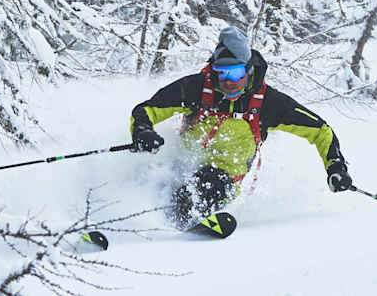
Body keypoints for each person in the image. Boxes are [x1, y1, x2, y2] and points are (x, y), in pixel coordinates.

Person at [129, 26, 353, 227]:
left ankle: (179, 231)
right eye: (222, 72)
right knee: (153, 182)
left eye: (236, 73)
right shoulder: (196, 89)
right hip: (181, 164)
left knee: (199, 191)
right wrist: (143, 131)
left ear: (248, 69)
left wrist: (336, 168)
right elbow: (146, 110)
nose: (229, 81)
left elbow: (320, 130)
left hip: (224, 176)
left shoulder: (269, 103)